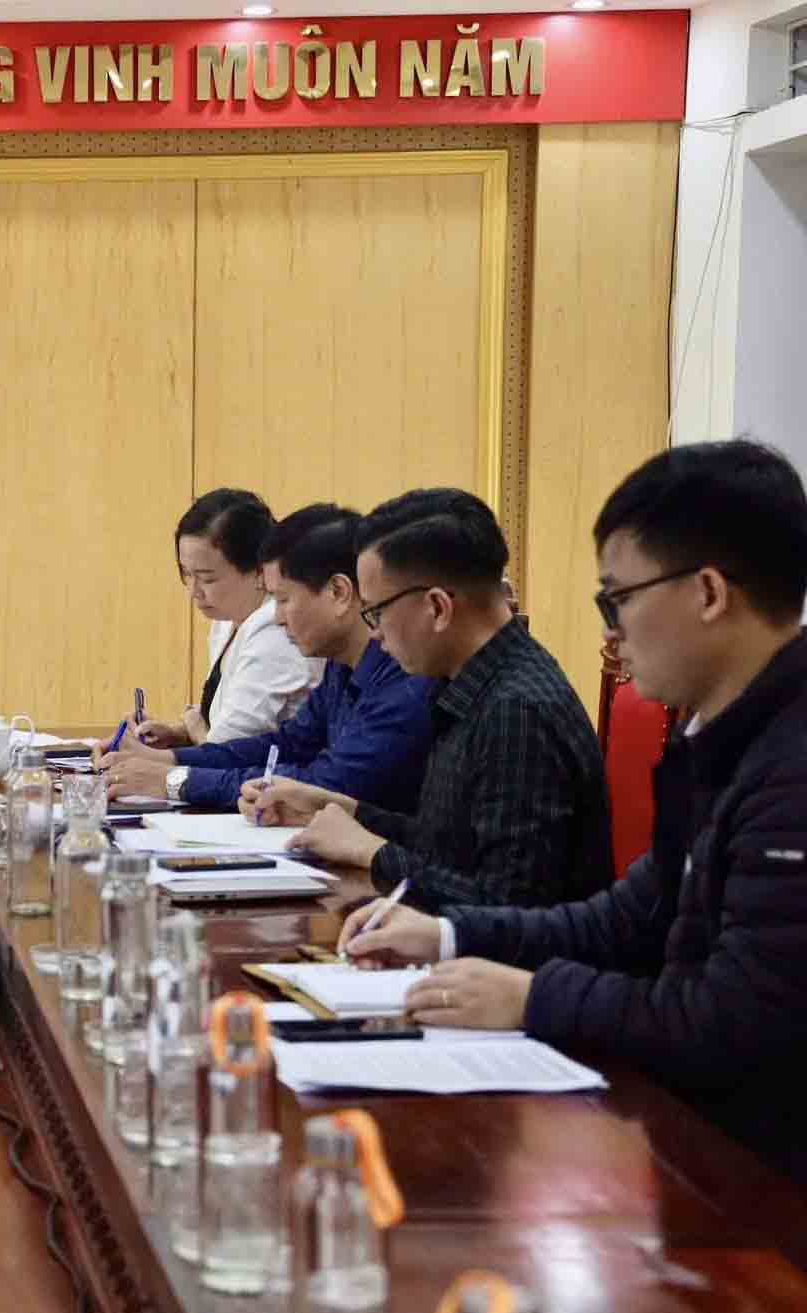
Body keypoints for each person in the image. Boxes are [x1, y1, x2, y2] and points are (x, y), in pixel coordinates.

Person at [336, 441, 807, 1182]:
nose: (609, 632)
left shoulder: (789, 773)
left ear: (709, 593)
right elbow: (624, 918)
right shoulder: (713, 738)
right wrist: (449, 935)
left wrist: (531, 997)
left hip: (759, 1182)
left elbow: (731, 1025)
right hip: (697, 1136)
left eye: (616, 599)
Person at [246, 488, 611, 910]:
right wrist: (344, 809)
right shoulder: (471, 681)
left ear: (437, 607)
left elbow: (506, 906)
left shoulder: (516, 711)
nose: (376, 634)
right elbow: (449, 844)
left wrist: (373, 853)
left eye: (376, 613)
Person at [103, 504, 437, 811]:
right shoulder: (342, 663)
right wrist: (170, 761)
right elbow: (287, 745)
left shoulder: (405, 673)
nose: (277, 618)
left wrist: (175, 781)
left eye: (283, 599)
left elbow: (328, 784)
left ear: (338, 593)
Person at [101, 489, 317, 774]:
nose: (194, 591)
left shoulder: (276, 631)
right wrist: (180, 733)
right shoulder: (227, 621)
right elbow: (220, 733)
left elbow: (226, 751)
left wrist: (195, 729)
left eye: (207, 578)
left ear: (258, 571)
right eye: (186, 574)